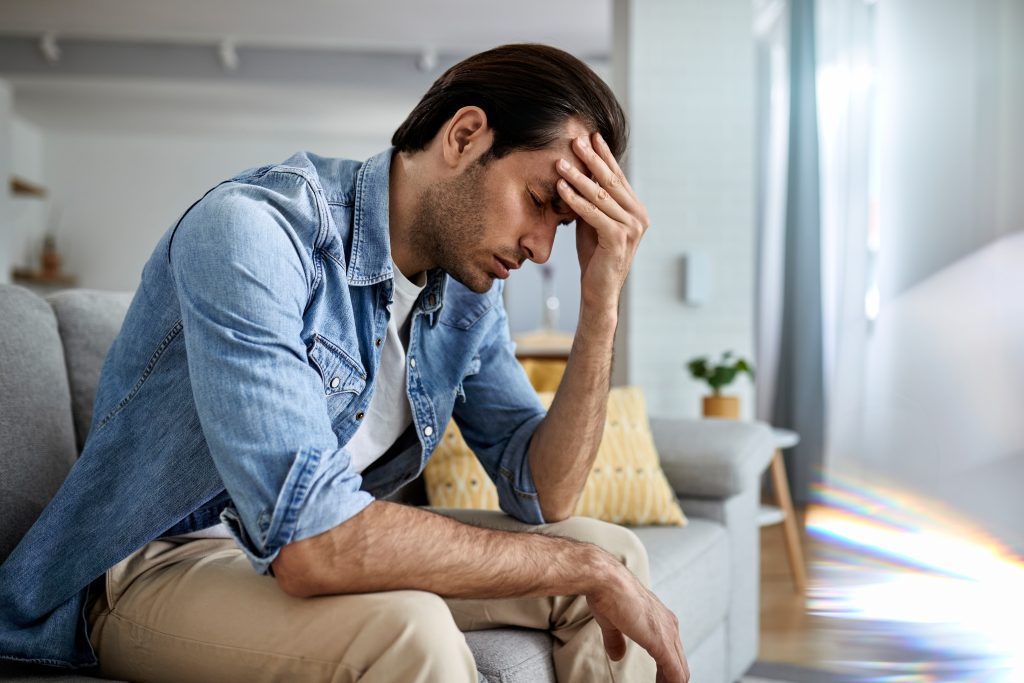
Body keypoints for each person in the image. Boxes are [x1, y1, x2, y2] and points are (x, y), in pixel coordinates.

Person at [0, 44, 689, 683]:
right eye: (540, 202)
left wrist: (602, 306)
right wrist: (581, 565)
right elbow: (310, 544)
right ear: (464, 136)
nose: (542, 249)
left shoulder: (468, 297)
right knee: (409, 630)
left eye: (563, 226)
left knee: (616, 552)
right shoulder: (254, 231)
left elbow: (546, 495)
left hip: (295, 560)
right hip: (156, 565)